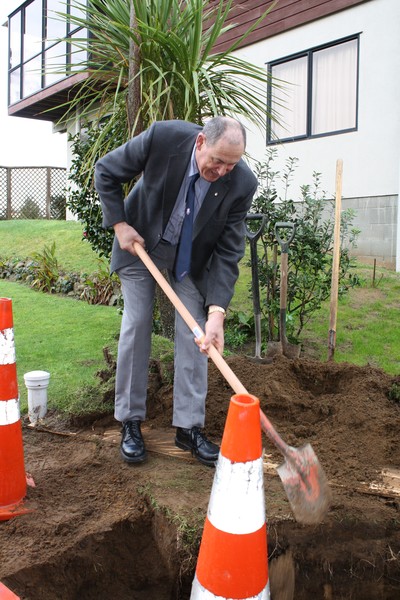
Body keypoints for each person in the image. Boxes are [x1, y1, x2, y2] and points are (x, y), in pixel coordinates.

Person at [95, 116, 257, 467]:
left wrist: (218, 314)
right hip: (139, 243)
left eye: (232, 164)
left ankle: (189, 428)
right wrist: (120, 225)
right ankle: (130, 421)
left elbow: (229, 251)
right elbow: (106, 171)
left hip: (187, 260)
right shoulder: (163, 138)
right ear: (200, 143)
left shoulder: (242, 183)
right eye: (217, 160)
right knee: (137, 324)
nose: (223, 170)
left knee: (197, 332)